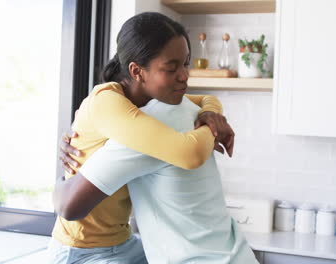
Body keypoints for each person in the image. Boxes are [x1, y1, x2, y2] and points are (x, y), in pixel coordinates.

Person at [49, 12, 235, 263]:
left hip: (123, 241)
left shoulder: (148, 101)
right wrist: (211, 128)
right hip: (81, 251)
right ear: (137, 71)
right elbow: (189, 154)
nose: (184, 75)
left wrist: (212, 112)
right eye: (172, 67)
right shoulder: (108, 102)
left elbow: (206, 100)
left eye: (186, 63)